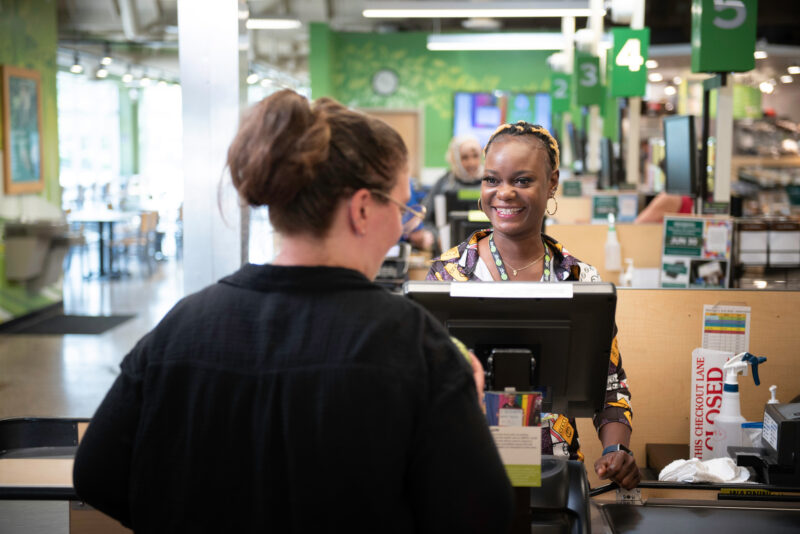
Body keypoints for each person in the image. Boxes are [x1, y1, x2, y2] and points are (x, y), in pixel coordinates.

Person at [73, 90, 514, 532]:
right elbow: (484, 513)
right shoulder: (415, 344)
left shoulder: (182, 325)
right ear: (362, 208)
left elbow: (95, 474)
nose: (403, 226)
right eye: (402, 208)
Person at [427, 121, 641, 491]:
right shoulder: (448, 277)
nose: (503, 193)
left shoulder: (579, 280)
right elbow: (423, 389)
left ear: (552, 183)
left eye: (522, 181)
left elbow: (610, 389)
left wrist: (616, 449)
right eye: (492, 180)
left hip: (553, 481)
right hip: (464, 479)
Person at [420, 135, 484, 248]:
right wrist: (436, 236)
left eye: (475, 156)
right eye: (465, 157)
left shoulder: (491, 182)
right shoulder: (444, 184)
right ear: (455, 159)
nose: (472, 162)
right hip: (449, 248)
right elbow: (423, 218)